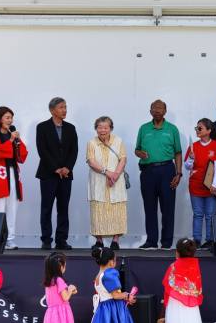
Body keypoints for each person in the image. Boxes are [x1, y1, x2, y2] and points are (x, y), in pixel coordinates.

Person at [135, 99, 182, 250]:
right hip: (148, 171)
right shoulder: (143, 129)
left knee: (168, 208)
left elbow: (178, 153)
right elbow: (137, 149)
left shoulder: (172, 129)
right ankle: (151, 241)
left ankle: (167, 242)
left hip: (167, 170)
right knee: (150, 207)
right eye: (154, 108)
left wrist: (179, 173)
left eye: (160, 108)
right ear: (150, 111)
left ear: (165, 111)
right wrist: (140, 153)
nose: (156, 110)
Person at [36, 97, 78, 251]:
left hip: (66, 175)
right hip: (48, 174)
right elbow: (42, 150)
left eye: (65, 107)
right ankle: (46, 240)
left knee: (63, 208)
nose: (64, 110)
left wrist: (67, 167)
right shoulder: (42, 127)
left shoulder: (71, 128)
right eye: (61, 107)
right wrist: (56, 168)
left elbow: (74, 151)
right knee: (46, 208)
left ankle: (61, 240)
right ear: (52, 110)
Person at [0, 106, 29, 250]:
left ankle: (10, 238)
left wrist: (16, 140)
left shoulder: (13, 135)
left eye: (11, 118)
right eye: (7, 117)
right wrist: (10, 140)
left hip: (13, 173)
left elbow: (22, 154)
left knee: (12, 206)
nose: (10, 120)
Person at [87, 116, 129, 251]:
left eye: (105, 127)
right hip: (98, 181)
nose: (102, 130)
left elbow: (123, 159)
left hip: (116, 181)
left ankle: (115, 240)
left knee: (117, 209)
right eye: (99, 127)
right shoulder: (91, 143)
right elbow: (91, 161)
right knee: (98, 209)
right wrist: (107, 173)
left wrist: (115, 175)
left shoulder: (118, 141)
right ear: (96, 129)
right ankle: (99, 241)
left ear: (111, 128)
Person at [183, 119, 216, 249]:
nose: (197, 131)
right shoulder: (193, 146)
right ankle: (196, 240)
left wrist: (215, 184)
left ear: (209, 130)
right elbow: (187, 167)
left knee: (210, 214)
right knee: (198, 214)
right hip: (195, 186)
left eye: (200, 128)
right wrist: (191, 157)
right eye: (197, 128)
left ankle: (209, 240)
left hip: (210, 187)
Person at [162, 238, 203, 323]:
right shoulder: (195, 267)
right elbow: (197, 288)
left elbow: (167, 286)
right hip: (191, 304)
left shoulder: (173, 267)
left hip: (174, 304)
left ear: (177, 252)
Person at [91, 247, 136, 323]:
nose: (115, 263)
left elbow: (108, 294)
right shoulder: (109, 274)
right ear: (110, 262)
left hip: (103, 308)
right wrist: (127, 295)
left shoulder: (98, 276)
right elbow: (115, 295)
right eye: (115, 260)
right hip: (113, 309)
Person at [42, 252, 77, 323]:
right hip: (61, 313)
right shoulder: (59, 280)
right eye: (65, 265)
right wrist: (70, 289)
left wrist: (70, 291)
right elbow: (65, 297)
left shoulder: (50, 281)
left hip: (51, 314)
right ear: (61, 266)